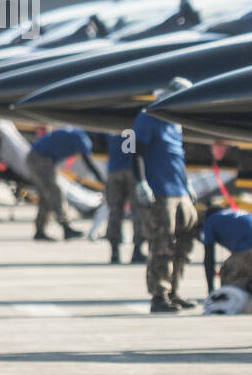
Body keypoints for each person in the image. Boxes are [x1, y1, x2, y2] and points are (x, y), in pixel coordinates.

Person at [132, 78, 198, 313]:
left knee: (184, 244)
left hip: (179, 191)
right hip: (160, 193)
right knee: (162, 246)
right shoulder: (148, 116)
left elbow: (175, 156)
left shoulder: (176, 121)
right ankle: (159, 296)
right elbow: (135, 151)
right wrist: (141, 182)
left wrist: (187, 182)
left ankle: (173, 291)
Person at [26, 126, 103, 241]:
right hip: (41, 160)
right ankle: (66, 228)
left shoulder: (74, 131)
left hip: (34, 157)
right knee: (56, 193)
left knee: (47, 196)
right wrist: (101, 180)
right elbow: (88, 162)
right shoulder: (83, 139)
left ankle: (40, 230)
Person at [104, 132, 146, 265]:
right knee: (138, 212)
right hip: (133, 170)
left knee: (114, 211)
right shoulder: (138, 125)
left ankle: (114, 251)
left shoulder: (110, 126)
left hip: (114, 170)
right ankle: (137, 250)